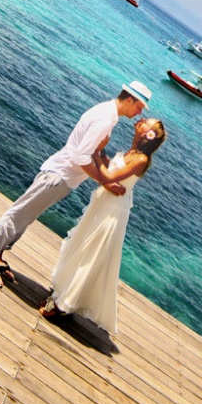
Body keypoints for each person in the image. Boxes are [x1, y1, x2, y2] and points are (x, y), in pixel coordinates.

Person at [0, 81, 152, 287]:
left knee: (26, 216)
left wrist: (101, 157)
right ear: (129, 100)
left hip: (64, 176)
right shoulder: (105, 120)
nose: (140, 112)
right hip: (60, 175)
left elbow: (90, 150)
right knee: (20, 213)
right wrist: (104, 182)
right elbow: (81, 157)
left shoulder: (107, 114)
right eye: (139, 106)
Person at [38, 116, 166, 334]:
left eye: (148, 122)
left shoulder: (141, 159)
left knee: (92, 253)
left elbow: (108, 176)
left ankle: (64, 305)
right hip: (103, 204)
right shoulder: (131, 153)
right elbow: (109, 171)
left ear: (149, 135)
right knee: (84, 246)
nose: (142, 119)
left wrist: (97, 153)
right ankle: (67, 294)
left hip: (112, 211)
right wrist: (103, 155)